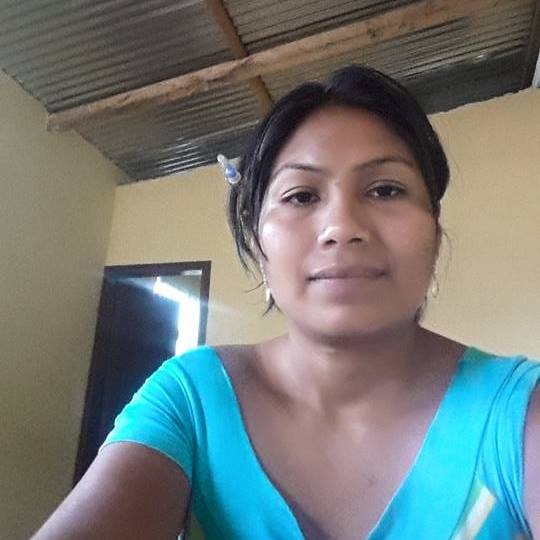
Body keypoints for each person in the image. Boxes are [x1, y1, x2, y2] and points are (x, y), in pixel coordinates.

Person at [33, 66, 539, 539]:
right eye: (301, 196)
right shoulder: (192, 402)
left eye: (385, 190)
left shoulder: (517, 413)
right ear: (258, 246)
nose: (342, 226)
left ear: (434, 235)